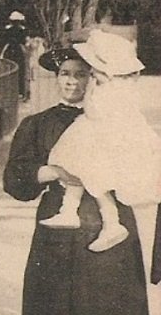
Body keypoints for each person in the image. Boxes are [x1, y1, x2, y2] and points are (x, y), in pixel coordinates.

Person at [0, 45, 161, 315]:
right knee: (49, 308)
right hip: (58, 226)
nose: (72, 81)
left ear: (98, 81)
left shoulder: (119, 121)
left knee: (105, 311)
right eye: (65, 74)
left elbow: (142, 170)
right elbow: (16, 181)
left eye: (81, 75)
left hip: (109, 228)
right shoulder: (39, 124)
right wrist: (52, 172)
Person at [39, 30, 161, 251]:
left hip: (105, 140)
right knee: (78, 168)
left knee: (89, 173)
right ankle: (72, 212)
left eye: (90, 72)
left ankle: (104, 221)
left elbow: (99, 114)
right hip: (104, 137)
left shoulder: (110, 92)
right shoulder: (123, 89)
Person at [0, 10, 30, 101]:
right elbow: (25, 42)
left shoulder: (6, 30)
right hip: (18, 52)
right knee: (20, 71)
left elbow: (1, 42)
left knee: (9, 70)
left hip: (9, 51)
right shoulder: (22, 30)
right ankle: (20, 92)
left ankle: (9, 92)